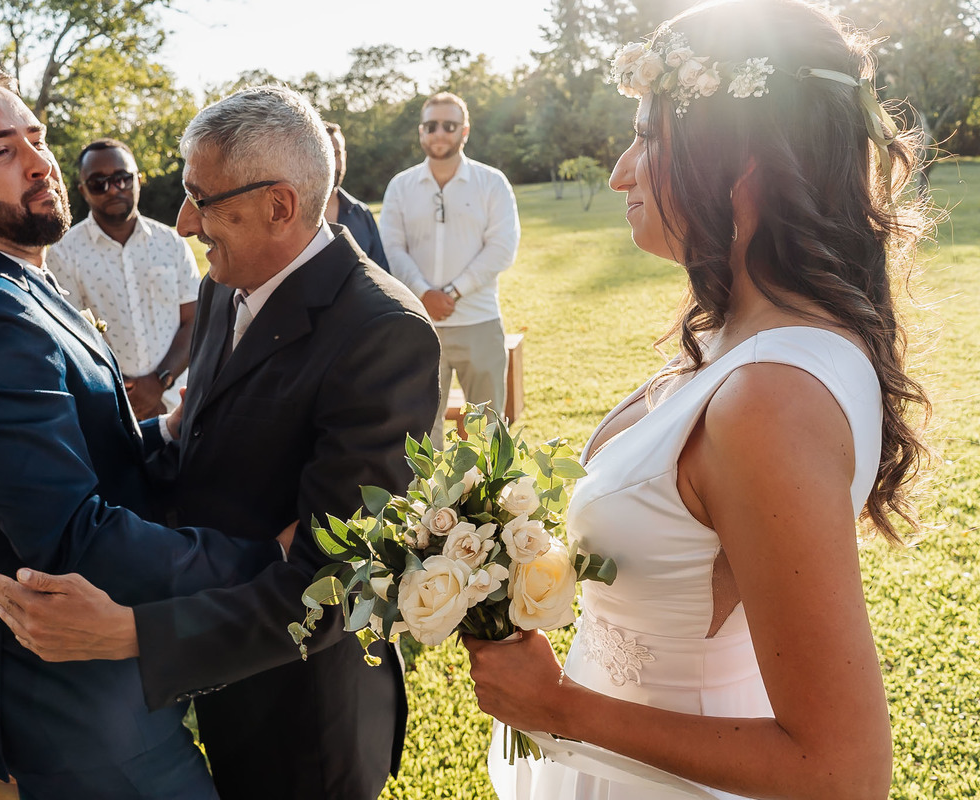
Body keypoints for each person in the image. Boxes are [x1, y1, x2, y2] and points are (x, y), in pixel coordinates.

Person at [463, 1, 931, 798]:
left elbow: (843, 772)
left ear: (741, 162)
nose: (619, 170)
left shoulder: (771, 397)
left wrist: (557, 707)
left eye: (646, 138)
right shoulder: (741, 338)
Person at [0, 85, 442, 800]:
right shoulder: (228, 285)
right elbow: (195, 450)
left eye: (202, 197)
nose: (185, 219)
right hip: (225, 681)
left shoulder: (384, 334)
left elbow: (336, 586)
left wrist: (131, 633)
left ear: (279, 206)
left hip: (305, 714)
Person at [0, 60, 285, 799]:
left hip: (90, 685)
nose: (39, 163)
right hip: (69, 704)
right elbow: (73, 538)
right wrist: (264, 560)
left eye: (34, 137)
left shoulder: (13, 281)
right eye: (0, 151)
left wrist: (168, 434)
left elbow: (86, 457)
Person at [380, 91, 520, 445]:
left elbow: (503, 248)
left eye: (449, 125)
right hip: (417, 322)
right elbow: (392, 248)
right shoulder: (401, 186)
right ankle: (429, 503)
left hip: (479, 321)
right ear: (421, 131)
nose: (439, 132)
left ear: (465, 130)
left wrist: (452, 292)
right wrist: (424, 294)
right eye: (431, 125)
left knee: (488, 433)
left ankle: (489, 503)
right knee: (421, 432)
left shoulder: (492, 182)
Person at [46, 138, 201, 419]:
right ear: (82, 190)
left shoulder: (172, 243)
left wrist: (158, 382)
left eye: (122, 178)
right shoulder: (63, 252)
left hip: (180, 403)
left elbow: (194, 319)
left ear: (138, 179)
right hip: (110, 408)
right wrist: (125, 393)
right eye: (98, 183)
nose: (114, 189)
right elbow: (69, 338)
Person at [323, 122, 389, 270]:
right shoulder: (291, 217)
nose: (333, 164)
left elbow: (383, 277)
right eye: (326, 154)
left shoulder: (362, 215)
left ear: (345, 156)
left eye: (337, 154)